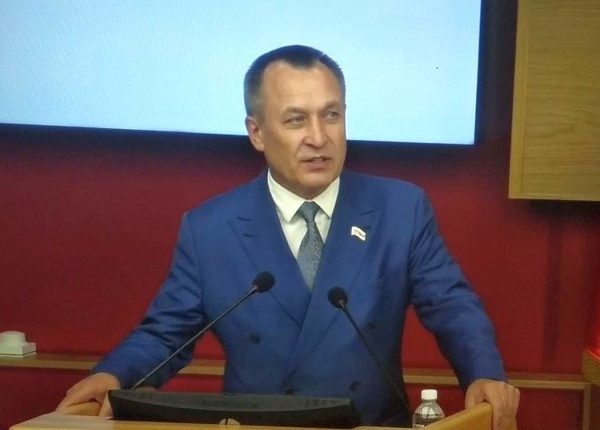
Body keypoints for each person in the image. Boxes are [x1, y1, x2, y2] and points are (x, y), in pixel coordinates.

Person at [57, 45, 519, 428]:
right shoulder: (211, 228)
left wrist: (483, 373)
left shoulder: (401, 208)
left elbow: (452, 307)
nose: (319, 137)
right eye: (296, 120)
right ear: (257, 133)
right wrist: (113, 376)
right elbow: (165, 336)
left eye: (331, 115)